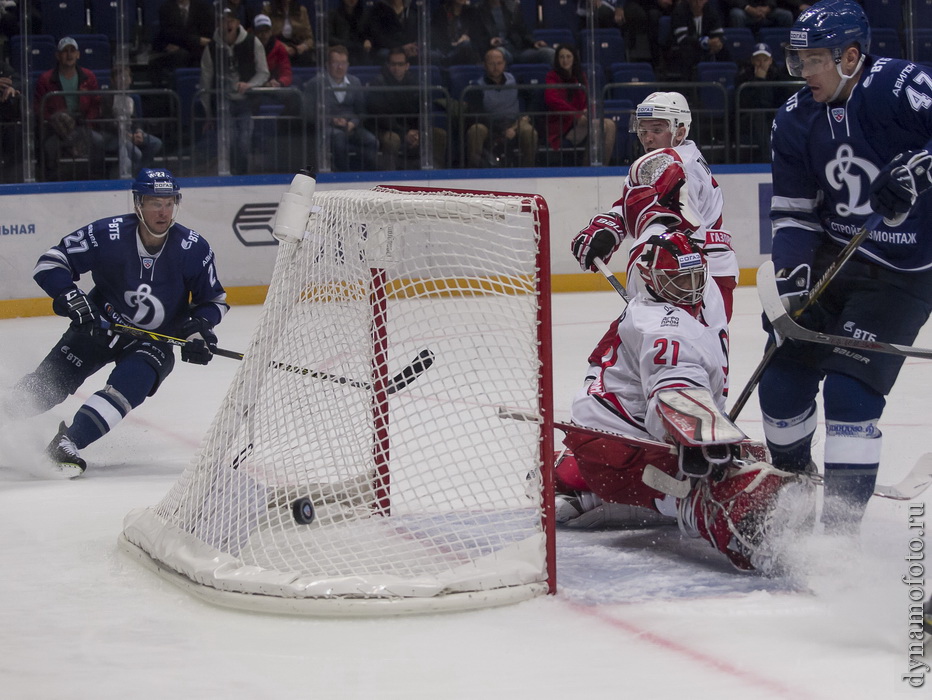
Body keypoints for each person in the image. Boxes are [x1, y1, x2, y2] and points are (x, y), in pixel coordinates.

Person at [553, 149, 809, 572]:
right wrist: (703, 439)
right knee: (723, 482)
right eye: (679, 280)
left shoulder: (679, 269)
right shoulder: (665, 320)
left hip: (600, 435)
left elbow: (642, 209)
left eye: (694, 278)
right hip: (624, 447)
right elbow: (674, 387)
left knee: (747, 452)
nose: (689, 287)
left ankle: (577, 481)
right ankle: (691, 505)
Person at [759, 0, 932, 535]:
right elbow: (792, 214)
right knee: (779, 387)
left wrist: (917, 170)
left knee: (849, 393)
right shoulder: (793, 118)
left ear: (851, 56)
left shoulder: (900, 86)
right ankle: (794, 496)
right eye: (798, 60)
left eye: (813, 61)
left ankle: (837, 537)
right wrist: (791, 283)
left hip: (903, 272)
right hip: (833, 262)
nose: (802, 72)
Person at [1, 169, 228, 477]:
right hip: (98, 327)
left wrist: (200, 329)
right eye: (154, 202)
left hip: (154, 342)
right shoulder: (108, 234)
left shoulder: (192, 248)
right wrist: (70, 296)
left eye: (169, 202)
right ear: (138, 203)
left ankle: (68, 443)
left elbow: (214, 301)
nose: (163, 211)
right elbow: (51, 263)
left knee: (129, 387)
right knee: (44, 391)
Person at [573, 91, 739, 319]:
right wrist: (610, 225)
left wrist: (613, 229)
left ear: (680, 132)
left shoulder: (680, 167)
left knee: (689, 349)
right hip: (701, 271)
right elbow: (641, 203)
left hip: (698, 276)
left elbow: (679, 233)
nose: (647, 138)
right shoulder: (669, 160)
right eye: (643, 130)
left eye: (657, 130)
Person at [199, 4, 270, 175]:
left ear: (238, 23)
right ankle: (227, 174)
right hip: (223, 102)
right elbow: (206, 82)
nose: (227, 24)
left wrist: (250, 84)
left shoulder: (253, 42)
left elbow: (263, 72)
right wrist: (208, 113)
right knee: (227, 140)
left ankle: (242, 174)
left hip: (245, 101)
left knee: (244, 141)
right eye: (224, 21)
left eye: (231, 20)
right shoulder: (211, 48)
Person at [34, 37, 106, 181]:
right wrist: (55, 124)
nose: (69, 55)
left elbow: (95, 104)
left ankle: (97, 181)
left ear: (78, 54)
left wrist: (88, 125)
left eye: (72, 51)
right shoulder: (45, 79)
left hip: (83, 125)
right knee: (49, 148)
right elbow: (39, 107)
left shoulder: (88, 77)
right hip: (57, 128)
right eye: (65, 51)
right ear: (57, 55)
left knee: (98, 142)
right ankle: (50, 183)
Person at [368, 48, 447, 169]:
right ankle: (390, 178)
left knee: (439, 134)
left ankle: (436, 175)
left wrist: (419, 132)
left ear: (407, 66)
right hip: (386, 129)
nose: (396, 68)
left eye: (400, 64)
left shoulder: (415, 84)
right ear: (388, 66)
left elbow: (422, 111)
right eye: (393, 64)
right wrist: (404, 133)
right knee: (392, 140)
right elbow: (382, 117)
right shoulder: (378, 84)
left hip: (411, 130)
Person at [304, 44, 378, 172]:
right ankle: (343, 175)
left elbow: (361, 111)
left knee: (372, 141)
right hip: (327, 129)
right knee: (339, 138)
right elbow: (308, 113)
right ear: (327, 65)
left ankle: (367, 174)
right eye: (336, 63)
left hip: (350, 127)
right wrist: (331, 120)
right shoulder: (315, 84)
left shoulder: (355, 82)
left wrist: (352, 123)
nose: (340, 67)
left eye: (343, 63)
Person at [464, 48, 538, 168]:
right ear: (484, 65)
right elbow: (478, 114)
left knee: (529, 132)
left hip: (514, 123)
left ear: (504, 64)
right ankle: (474, 170)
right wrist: (501, 130)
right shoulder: (477, 87)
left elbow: (533, 98)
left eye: (499, 63)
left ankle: (528, 170)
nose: (496, 67)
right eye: (491, 63)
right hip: (489, 125)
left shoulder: (515, 81)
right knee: (476, 130)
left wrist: (526, 116)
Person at [544, 43, 616, 166]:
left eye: (568, 56)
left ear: (574, 58)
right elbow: (552, 100)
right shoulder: (552, 77)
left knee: (610, 125)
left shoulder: (580, 76)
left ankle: (601, 167)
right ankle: (589, 168)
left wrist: (589, 113)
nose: (565, 60)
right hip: (564, 125)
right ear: (557, 59)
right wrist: (576, 115)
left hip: (582, 122)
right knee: (603, 126)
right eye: (562, 57)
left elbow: (588, 100)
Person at [100, 65, 164, 176]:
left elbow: (135, 119)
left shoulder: (132, 97)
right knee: (137, 154)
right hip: (114, 135)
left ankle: (140, 172)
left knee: (156, 143)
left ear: (130, 79)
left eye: (126, 77)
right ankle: (128, 176)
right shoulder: (107, 97)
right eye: (120, 77)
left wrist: (138, 131)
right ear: (112, 80)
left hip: (131, 133)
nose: (123, 80)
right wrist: (128, 136)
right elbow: (108, 123)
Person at [734, 42, 792, 162]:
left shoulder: (777, 76)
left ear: (770, 61)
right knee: (758, 116)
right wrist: (759, 80)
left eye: (765, 60)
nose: (761, 63)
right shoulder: (744, 77)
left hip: (772, 115)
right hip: (749, 118)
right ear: (752, 60)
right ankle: (768, 157)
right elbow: (748, 103)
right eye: (758, 60)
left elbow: (781, 100)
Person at [472, 0, 555, 66]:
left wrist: (534, 42)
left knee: (549, 52)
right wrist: (490, 41)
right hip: (497, 50)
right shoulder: (478, 10)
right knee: (498, 54)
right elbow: (477, 37)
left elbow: (523, 31)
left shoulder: (513, 7)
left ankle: (560, 84)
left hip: (518, 49)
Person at [149, 0, 214, 82]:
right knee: (181, 55)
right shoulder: (166, 8)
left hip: (196, 51)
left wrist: (190, 42)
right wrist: (197, 40)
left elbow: (207, 35)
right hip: (175, 52)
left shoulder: (202, 8)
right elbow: (172, 34)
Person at [668, 0, 728, 80]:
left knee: (724, 49)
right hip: (684, 49)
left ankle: (725, 80)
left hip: (708, 48)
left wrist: (718, 42)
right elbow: (682, 39)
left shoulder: (710, 10)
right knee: (688, 51)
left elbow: (719, 34)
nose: (698, 3)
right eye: (695, 1)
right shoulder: (680, 11)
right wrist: (705, 42)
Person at [262, 0, 315, 67]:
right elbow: (265, 35)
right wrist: (282, 46)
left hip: (297, 45)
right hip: (276, 44)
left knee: (306, 58)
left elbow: (309, 39)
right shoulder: (268, 10)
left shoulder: (302, 10)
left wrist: (303, 46)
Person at [365, 0, 420, 65]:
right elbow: (378, 36)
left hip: (409, 48)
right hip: (387, 48)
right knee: (383, 54)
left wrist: (413, 46)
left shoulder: (413, 9)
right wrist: (400, 47)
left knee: (429, 56)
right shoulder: (378, 9)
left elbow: (419, 31)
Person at [431, 0, 480, 67]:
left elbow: (477, 36)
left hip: (465, 51)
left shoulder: (471, 11)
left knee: (467, 45)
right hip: (446, 51)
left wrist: (467, 38)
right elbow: (437, 38)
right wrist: (455, 44)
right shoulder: (440, 13)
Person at [327, 0, 373, 67]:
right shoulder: (333, 14)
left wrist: (368, 40)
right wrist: (345, 44)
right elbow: (329, 37)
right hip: (341, 48)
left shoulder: (365, 14)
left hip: (360, 49)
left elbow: (370, 34)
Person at [0, 56, 22, 183]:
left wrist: (12, 87)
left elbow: (18, 79)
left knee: (17, 134)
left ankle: (12, 183)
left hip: (4, 121)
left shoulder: (2, 67)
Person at [726, 0, 793, 36]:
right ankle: (739, 44)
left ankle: (782, 45)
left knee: (786, 15)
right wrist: (748, 8)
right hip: (744, 9)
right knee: (737, 14)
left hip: (766, 10)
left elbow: (772, 2)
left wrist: (768, 7)